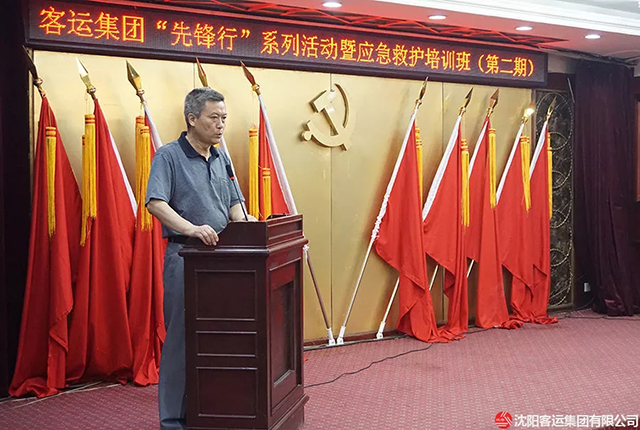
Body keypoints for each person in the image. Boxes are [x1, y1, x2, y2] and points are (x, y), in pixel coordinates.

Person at [146, 87, 255, 430]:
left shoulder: (221, 158)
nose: (221, 124)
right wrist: (192, 229)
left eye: (224, 118)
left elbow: (234, 204)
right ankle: (173, 420)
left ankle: (217, 410)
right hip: (186, 257)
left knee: (223, 336)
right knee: (181, 339)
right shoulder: (168, 156)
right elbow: (155, 203)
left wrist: (248, 224)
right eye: (214, 118)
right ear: (192, 119)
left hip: (225, 260)